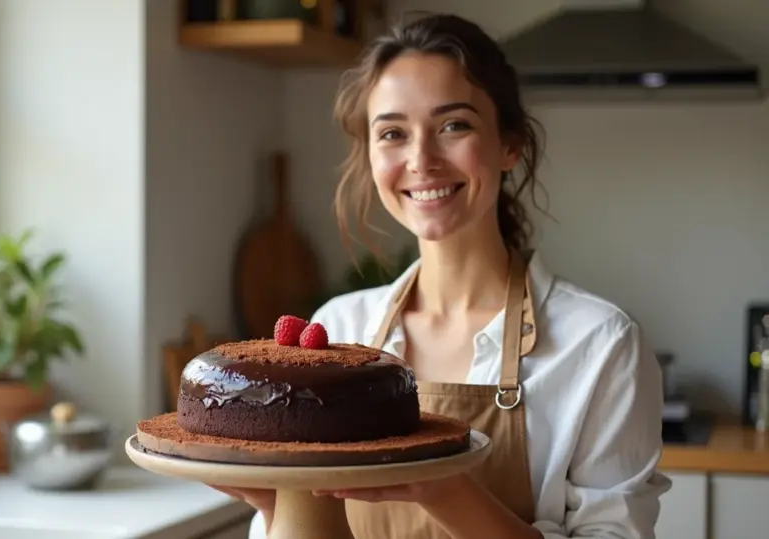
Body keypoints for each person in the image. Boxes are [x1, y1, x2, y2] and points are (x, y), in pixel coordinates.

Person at [208, 11, 672, 539]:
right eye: (392, 133)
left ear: (509, 144)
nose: (421, 159)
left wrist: (442, 486)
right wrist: (272, 505)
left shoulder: (599, 345)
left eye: (454, 125)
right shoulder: (339, 328)